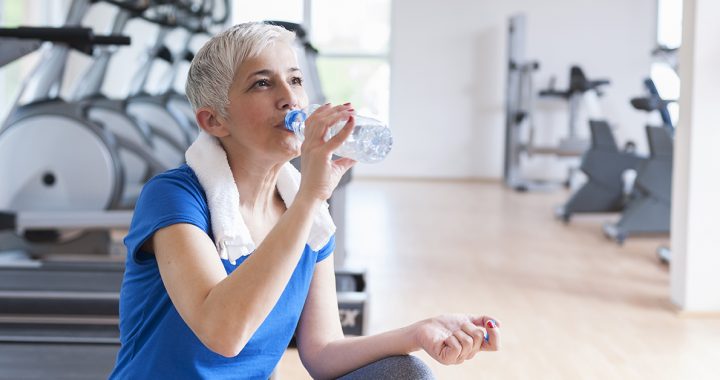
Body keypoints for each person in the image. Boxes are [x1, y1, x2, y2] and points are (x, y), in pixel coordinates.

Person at [109, 22, 501, 380]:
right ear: (214, 121)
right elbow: (223, 334)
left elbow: (323, 351)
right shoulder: (174, 197)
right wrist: (311, 196)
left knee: (407, 373)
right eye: (262, 84)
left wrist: (419, 332)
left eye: (295, 80)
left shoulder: (307, 213)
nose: (289, 99)